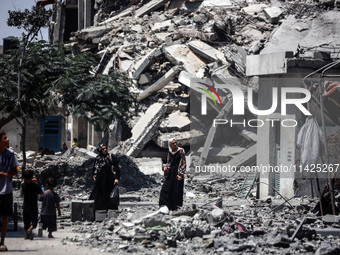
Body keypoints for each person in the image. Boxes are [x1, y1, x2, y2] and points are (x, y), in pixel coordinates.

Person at [0, 132, 20, 251]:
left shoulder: (11, 154)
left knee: (6, 216)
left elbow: (15, 170)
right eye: (5, 138)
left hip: (6, 190)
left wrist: (6, 174)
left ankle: (2, 241)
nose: (8, 139)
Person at [90, 144, 120, 211]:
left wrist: (116, 178)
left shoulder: (110, 157)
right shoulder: (98, 158)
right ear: (100, 150)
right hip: (100, 181)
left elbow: (116, 167)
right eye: (103, 149)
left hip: (109, 180)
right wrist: (94, 176)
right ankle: (100, 210)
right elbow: (95, 168)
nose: (105, 150)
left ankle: (111, 210)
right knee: (99, 195)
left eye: (105, 148)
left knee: (109, 195)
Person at [159, 138, 186, 211]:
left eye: (175, 143)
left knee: (177, 189)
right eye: (173, 143)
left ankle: (176, 207)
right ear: (170, 144)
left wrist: (181, 174)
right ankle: (165, 205)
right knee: (166, 188)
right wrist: (165, 168)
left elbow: (183, 163)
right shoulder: (170, 152)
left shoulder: (181, 151)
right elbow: (168, 162)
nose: (175, 144)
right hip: (171, 173)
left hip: (178, 172)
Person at [21, 170, 44, 240]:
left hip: (25, 206)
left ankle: (26, 234)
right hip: (33, 206)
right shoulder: (35, 185)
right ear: (32, 177)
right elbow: (41, 193)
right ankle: (30, 229)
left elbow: (22, 181)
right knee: (34, 221)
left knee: (26, 221)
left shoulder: (23, 185)